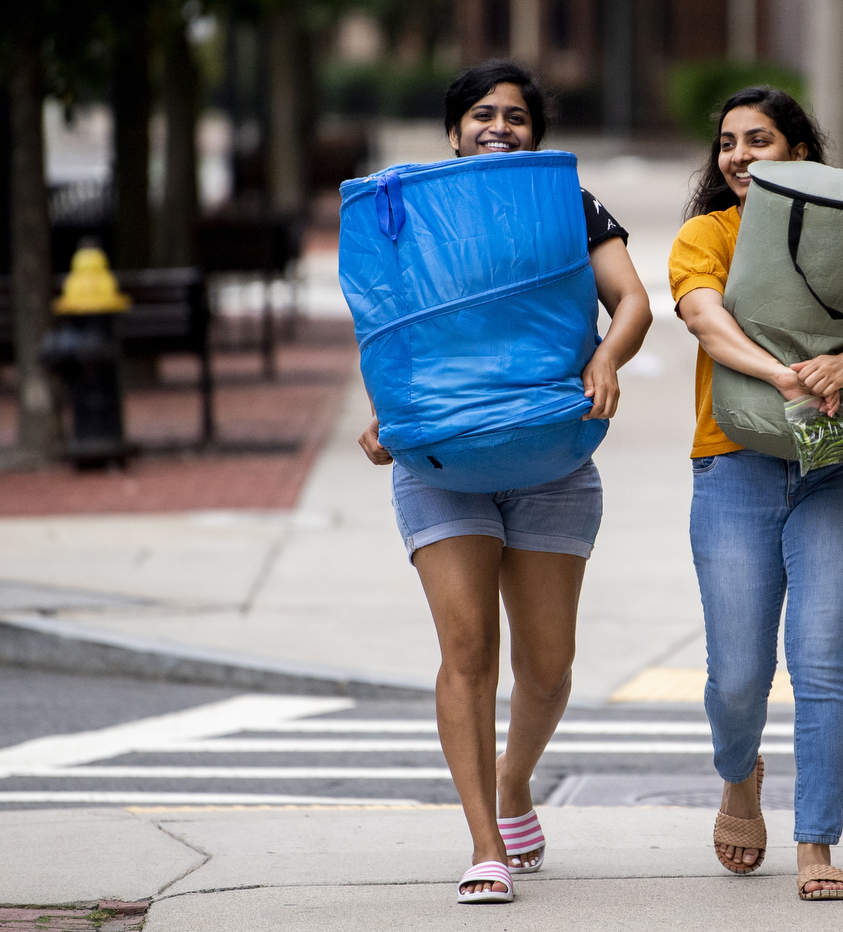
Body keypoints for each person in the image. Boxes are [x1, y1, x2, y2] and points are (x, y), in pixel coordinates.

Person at [357, 60, 651, 905]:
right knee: (469, 649)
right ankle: (484, 840)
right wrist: (388, 411)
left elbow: (631, 300)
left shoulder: (570, 204)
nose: (499, 126)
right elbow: (389, 326)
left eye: (515, 116)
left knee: (549, 668)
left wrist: (606, 357)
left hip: (552, 454)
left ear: (536, 133)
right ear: (452, 132)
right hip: (443, 462)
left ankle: (515, 777)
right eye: (481, 114)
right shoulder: (408, 210)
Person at [668, 86, 843, 902]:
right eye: (728, 143)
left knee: (820, 663)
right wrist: (779, 373)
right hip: (734, 461)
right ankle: (740, 776)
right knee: (738, 675)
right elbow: (703, 317)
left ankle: (817, 844)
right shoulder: (707, 235)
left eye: (759, 140)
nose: (738, 155)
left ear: (800, 153)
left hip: (836, 467)